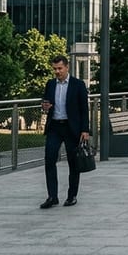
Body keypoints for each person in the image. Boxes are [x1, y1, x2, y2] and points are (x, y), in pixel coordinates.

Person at [40, 55, 90, 209]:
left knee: (73, 163)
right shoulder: (50, 84)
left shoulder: (78, 85)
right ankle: (52, 196)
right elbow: (46, 102)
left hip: (71, 128)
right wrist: (45, 106)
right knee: (49, 160)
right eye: (54, 69)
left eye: (60, 68)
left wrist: (85, 130)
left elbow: (84, 109)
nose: (57, 71)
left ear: (67, 67)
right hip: (54, 126)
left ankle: (72, 195)